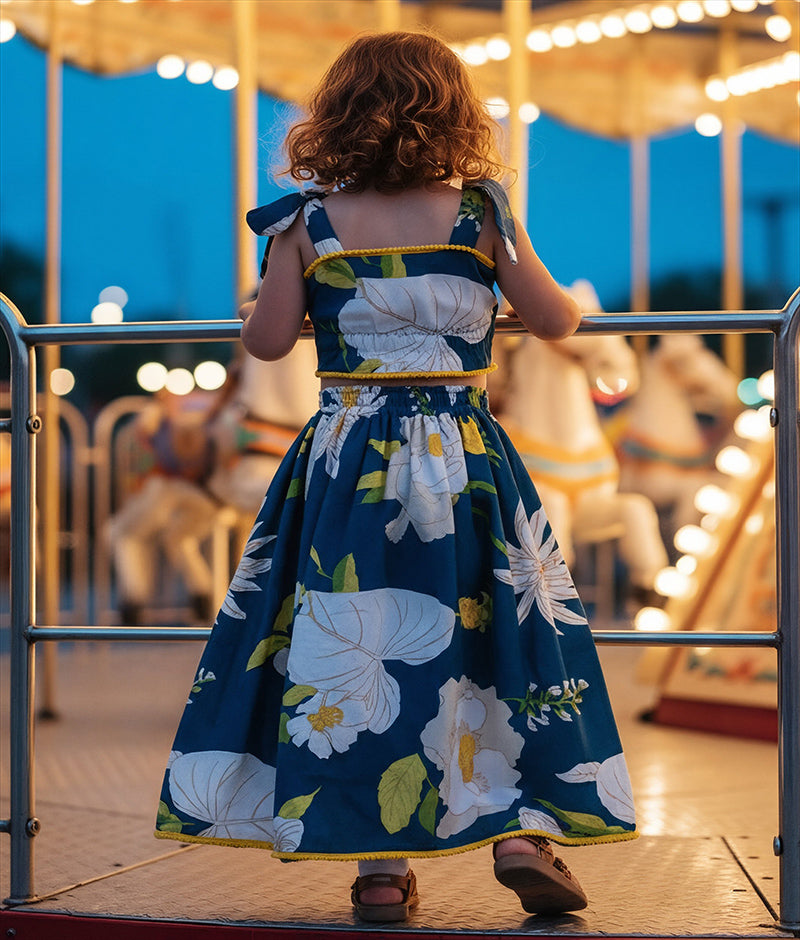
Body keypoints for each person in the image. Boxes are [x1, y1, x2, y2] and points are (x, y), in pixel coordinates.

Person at [155, 31, 637, 922]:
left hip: (348, 465)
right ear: (453, 112)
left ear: (333, 116)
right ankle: (522, 833)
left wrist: (283, 278)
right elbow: (559, 321)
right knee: (494, 635)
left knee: (354, 646)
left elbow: (265, 341)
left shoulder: (307, 223)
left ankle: (379, 870)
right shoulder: (479, 215)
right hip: (463, 456)